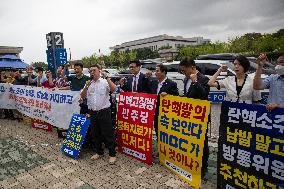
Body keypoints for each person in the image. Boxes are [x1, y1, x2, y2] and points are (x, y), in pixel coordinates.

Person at [179, 57, 210, 178]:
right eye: (182, 71)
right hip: (189, 115)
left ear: (192, 67)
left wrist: (195, 82)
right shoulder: (185, 79)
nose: (183, 73)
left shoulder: (204, 78)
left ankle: (203, 166)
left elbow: (204, 95)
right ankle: (192, 162)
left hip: (200, 117)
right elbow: (186, 95)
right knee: (191, 140)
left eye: (184, 70)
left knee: (202, 141)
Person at [81, 64, 117, 164]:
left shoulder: (105, 82)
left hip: (104, 111)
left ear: (99, 71)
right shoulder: (88, 83)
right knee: (95, 133)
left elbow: (114, 89)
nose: (92, 72)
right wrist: (86, 87)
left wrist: (107, 78)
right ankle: (99, 152)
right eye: (90, 71)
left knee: (108, 134)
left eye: (94, 70)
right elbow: (82, 96)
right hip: (93, 112)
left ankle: (112, 154)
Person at [149, 64, 179, 139]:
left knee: (166, 134)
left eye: (157, 71)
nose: (155, 73)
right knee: (157, 132)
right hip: (155, 113)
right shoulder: (153, 83)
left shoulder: (171, 84)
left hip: (165, 115)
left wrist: (168, 95)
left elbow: (176, 98)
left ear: (163, 72)